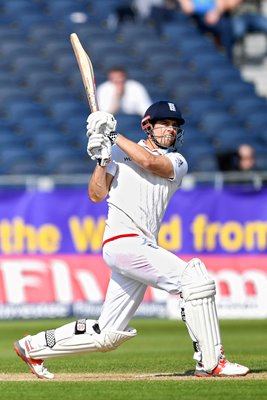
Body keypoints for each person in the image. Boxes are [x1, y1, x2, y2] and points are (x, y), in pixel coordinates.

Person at [13, 101, 249, 379]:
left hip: (140, 246)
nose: (171, 131)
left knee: (108, 335)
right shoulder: (117, 153)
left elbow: (149, 162)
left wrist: (113, 136)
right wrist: (102, 160)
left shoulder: (177, 162)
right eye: (165, 125)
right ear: (148, 127)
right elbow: (96, 194)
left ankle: (33, 346)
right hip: (123, 240)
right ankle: (212, 362)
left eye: (175, 127)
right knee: (195, 279)